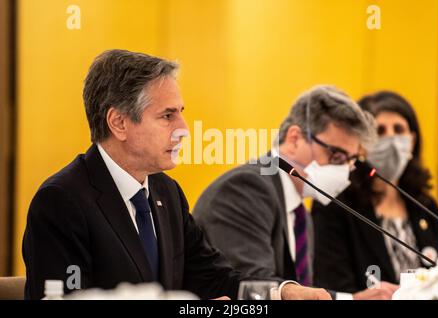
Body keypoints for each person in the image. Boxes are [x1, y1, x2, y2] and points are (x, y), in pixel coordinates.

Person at [22, 49, 330, 300]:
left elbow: (213, 277)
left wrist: (281, 293)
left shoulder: (165, 192)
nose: (183, 129)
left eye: (181, 113)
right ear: (118, 123)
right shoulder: (62, 201)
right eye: (168, 116)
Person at [193, 86, 398, 299]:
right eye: (336, 156)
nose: (344, 170)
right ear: (294, 139)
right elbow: (253, 287)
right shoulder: (245, 188)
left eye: (351, 161)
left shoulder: (300, 214)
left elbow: (300, 293)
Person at [312, 91, 438, 294]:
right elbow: (330, 289)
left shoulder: (425, 205)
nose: (391, 138)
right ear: (359, 143)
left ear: (412, 140)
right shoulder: (334, 205)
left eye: (399, 129)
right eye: (380, 130)